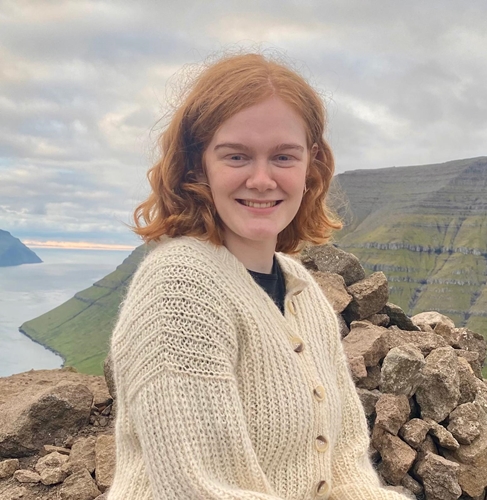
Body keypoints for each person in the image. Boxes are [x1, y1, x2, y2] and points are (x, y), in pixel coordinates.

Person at [107, 53, 408, 500]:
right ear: (197, 165)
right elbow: (201, 490)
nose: (262, 179)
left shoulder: (301, 291)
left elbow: (345, 461)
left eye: (283, 156)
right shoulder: (180, 288)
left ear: (310, 166)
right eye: (237, 156)